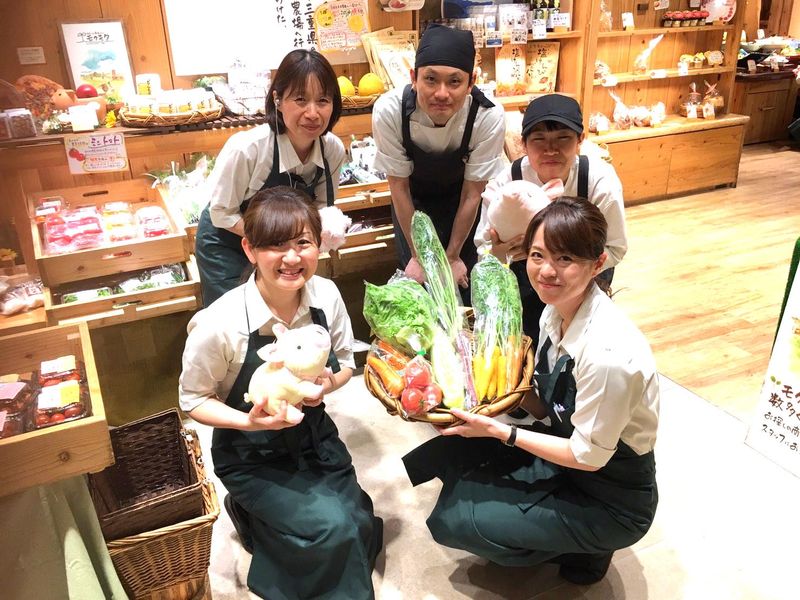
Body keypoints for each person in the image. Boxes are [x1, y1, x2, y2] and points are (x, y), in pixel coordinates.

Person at [403, 197, 659, 585]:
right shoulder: (554, 311)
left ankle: (587, 547)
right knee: (453, 454)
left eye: (565, 258)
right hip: (569, 455)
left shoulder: (609, 355)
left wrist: (501, 431)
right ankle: (565, 533)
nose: (547, 271)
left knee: (462, 520)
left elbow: (589, 456)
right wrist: (479, 377)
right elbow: (547, 407)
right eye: (538, 255)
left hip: (612, 495)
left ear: (598, 264)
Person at [180, 186, 382, 599]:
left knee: (361, 524)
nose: (292, 258)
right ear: (250, 249)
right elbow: (193, 400)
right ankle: (252, 511)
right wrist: (250, 421)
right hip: (250, 454)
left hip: (315, 438)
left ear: (318, 245)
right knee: (334, 530)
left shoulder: (326, 296)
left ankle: (254, 522)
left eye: (303, 243)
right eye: (276, 245)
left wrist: (325, 384)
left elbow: (346, 363)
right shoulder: (220, 322)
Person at [195, 49, 346, 307]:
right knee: (237, 318)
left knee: (285, 312)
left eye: (323, 100)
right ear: (277, 99)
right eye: (300, 99)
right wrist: (275, 240)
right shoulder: (249, 149)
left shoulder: (332, 150)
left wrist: (318, 235)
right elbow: (221, 212)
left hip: (284, 249)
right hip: (227, 242)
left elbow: (321, 208)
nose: (313, 113)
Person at [475, 94, 627, 343]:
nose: (550, 150)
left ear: (580, 140)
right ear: (523, 144)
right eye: (539, 139)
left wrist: (576, 264)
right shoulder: (508, 182)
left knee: (579, 345)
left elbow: (616, 248)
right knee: (529, 342)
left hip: (584, 279)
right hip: (525, 276)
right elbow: (483, 248)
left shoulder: (598, 183)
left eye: (563, 138)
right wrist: (501, 254)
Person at [372, 23, 506, 304]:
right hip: (411, 203)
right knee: (419, 291)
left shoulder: (487, 116)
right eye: (431, 79)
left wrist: (453, 256)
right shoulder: (390, 110)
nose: (442, 93)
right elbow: (398, 187)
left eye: (454, 82)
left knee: (464, 287)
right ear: (414, 77)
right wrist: (418, 256)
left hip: (463, 204)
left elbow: (472, 193)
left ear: (471, 82)